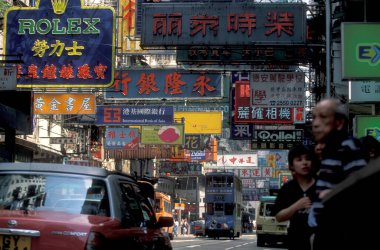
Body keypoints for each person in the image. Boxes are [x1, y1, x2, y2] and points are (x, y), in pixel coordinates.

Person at [308, 98, 367, 249]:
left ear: (339, 123)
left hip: (340, 234)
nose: (315, 123)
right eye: (314, 117)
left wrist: (332, 195)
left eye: (322, 117)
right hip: (325, 232)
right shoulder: (330, 152)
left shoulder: (349, 147)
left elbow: (361, 189)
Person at [273, 144, 317, 250]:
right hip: (295, 241)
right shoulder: (287, 189)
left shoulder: (322, 185)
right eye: (299, 159)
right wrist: (296, 206)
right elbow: (279, 216)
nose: (304, 163)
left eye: (308, 159)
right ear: (291, 165)